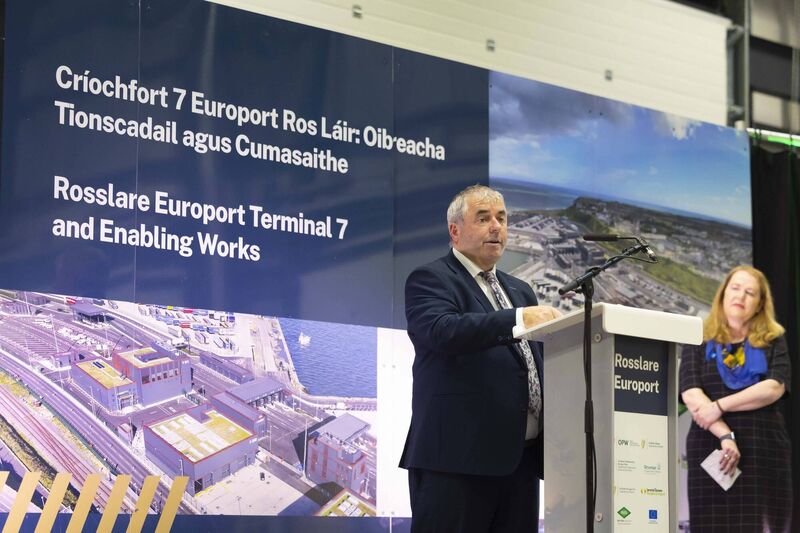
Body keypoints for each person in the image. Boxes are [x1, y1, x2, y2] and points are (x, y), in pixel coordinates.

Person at [399, 184, 562, 532]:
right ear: (455, 231)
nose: (496, 227)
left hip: (519, 461)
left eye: (502, 218)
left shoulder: (520, 289)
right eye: (484, 218)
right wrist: (519, 319)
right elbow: (444, 331)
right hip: (457, 461)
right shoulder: (432, 279)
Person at [679, 265, 792, 532]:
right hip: (712, 448)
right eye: (736, 288)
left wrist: (719, 406)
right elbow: (691, 393)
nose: (740, 296)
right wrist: (725, 436)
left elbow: (773, 388)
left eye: (750, 292)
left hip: (764, 450)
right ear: (723, 294)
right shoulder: (699, 337)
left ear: (760, 303)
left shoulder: (773, 339)